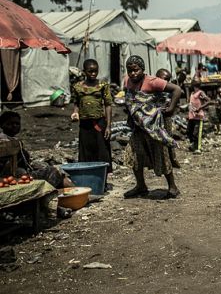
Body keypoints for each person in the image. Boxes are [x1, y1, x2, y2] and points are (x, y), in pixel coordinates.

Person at [121, 55, 182, 199]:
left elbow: (177, 89)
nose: (133, 73)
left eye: (136, 70)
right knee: (134, 153)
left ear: (142, 69)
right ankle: (141, 185)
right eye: (130, 71)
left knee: (160, 152)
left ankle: (172, 186)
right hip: (138, 125)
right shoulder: (127, 80)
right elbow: (129, 98)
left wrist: (171, 108)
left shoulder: (152, 81)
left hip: (153, 125)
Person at [0, 111, 73, 190]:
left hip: (21, 173)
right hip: (13, 176)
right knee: (52, 171)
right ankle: (74, 190)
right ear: (2, 125)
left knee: (52, 170)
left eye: (17, 124)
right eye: (10, 124)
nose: (14, 126)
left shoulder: (15, 140)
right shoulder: (4, 142)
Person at [70, 59, 113, 189]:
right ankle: (89, 181)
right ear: (84, 71)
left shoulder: (103, 85)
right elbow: (76, 103)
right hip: (85, 125)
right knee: (86, 152)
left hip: (99, 123)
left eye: (95, 71)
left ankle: (102, 181)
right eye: (90, 71)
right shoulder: (77, 87)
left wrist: (108, 126)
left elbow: (108, 105)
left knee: (102, 152)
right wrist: (75, 113)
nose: (93, 74)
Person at [155, 68, 181, 168]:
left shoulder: (170, 91)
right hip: (156, 119)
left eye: (168, 80)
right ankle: (164, 162)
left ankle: (172, 159)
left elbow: (174, 103)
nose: (166, 82)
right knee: (160, 140)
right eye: (164, 79)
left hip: (166, 118)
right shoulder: (153, 89)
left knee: (169, 137)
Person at [187, 80, 211, 153]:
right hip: (191, 116)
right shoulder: (192, 93)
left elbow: (208, 101)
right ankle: (193, 145)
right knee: (189, 131)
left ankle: (198, 148)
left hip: (198, 116)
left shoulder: (200, 93)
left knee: (197, 133)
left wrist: (200, 108)